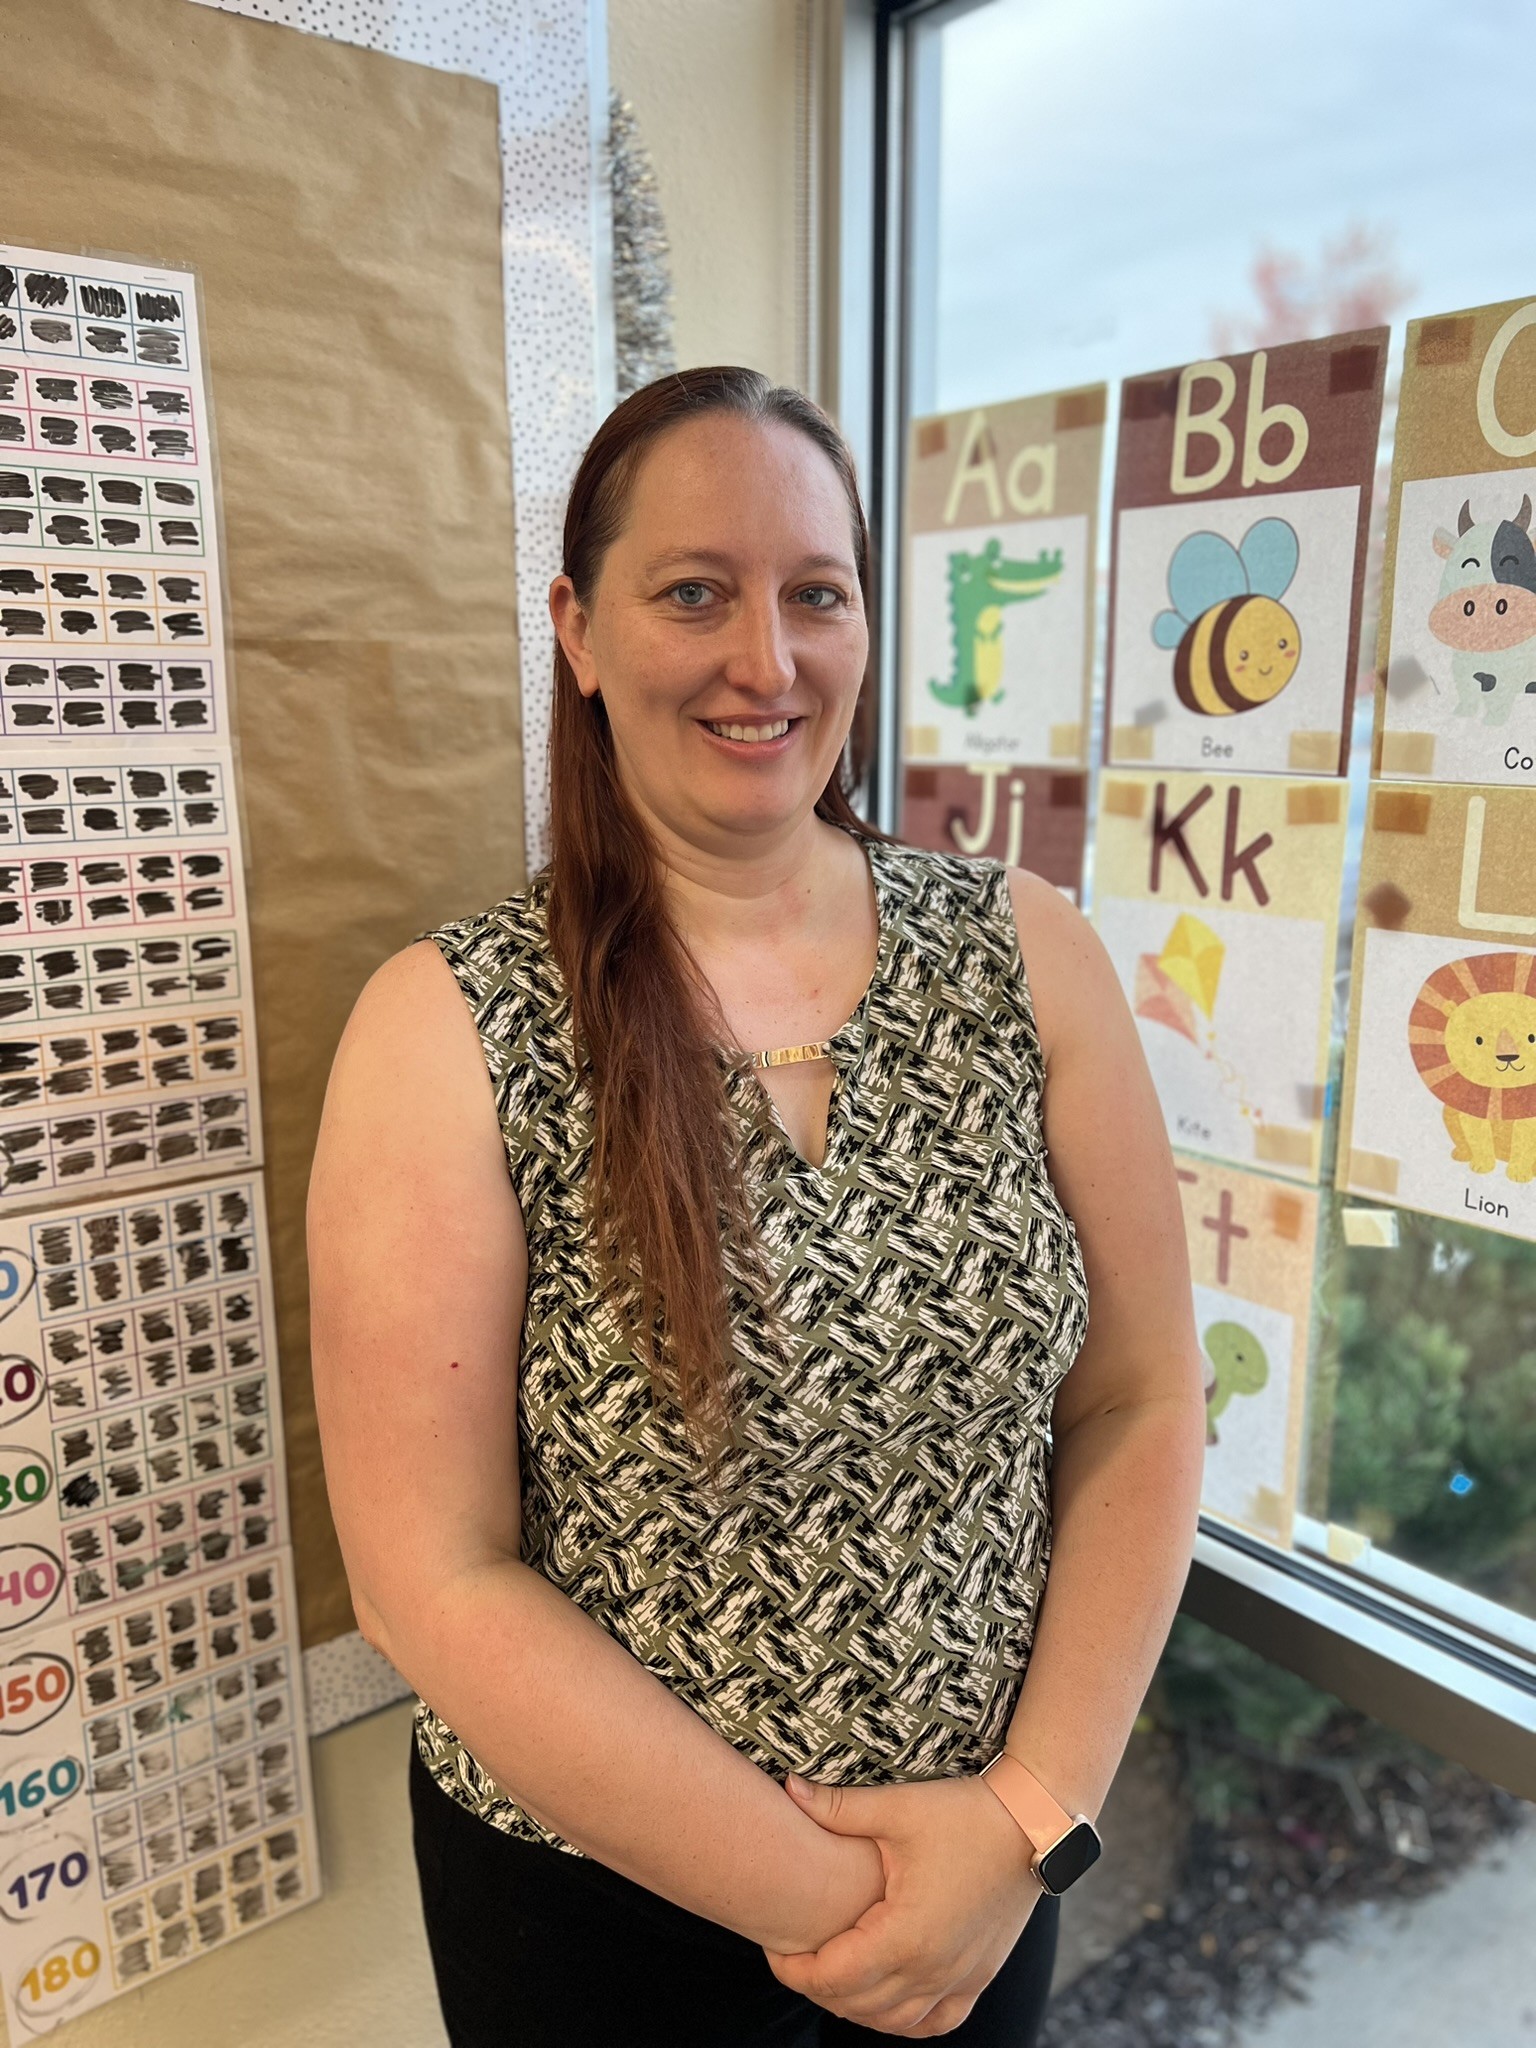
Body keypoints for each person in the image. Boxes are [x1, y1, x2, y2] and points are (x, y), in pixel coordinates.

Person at [307, 365, 1207, 2047]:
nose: (766, 660)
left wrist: (1026, 1823)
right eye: (695, 593)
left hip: (989, 1866)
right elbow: (430, 1575)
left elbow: (1145, 1399)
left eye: (818, 595)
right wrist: (864, 1918)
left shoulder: (1028, 955)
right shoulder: (449, 1027)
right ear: (579, 629)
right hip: (602, 1916)